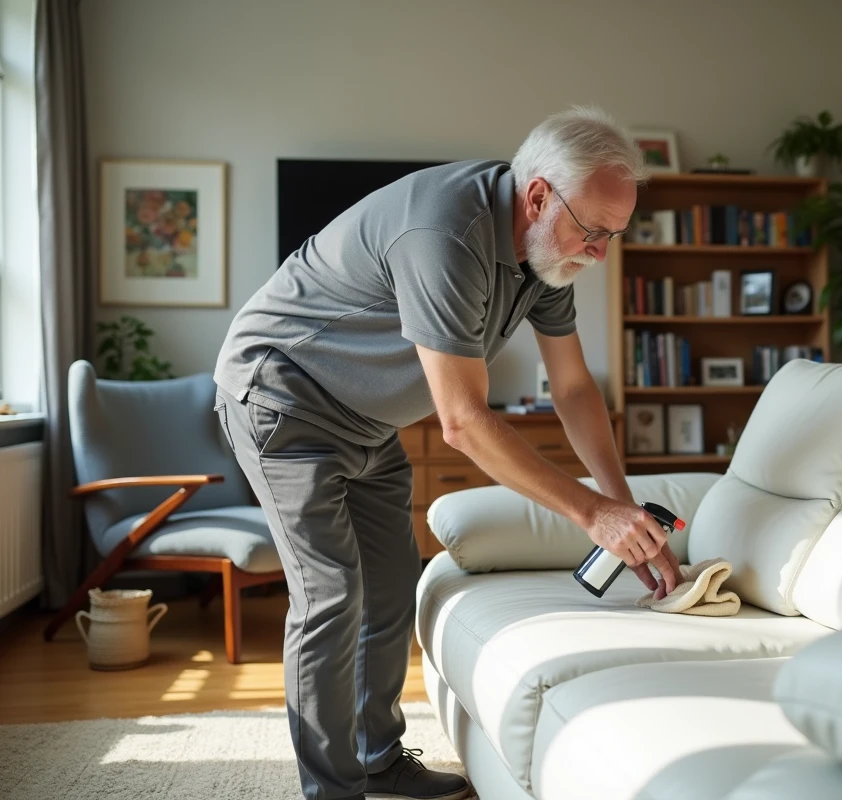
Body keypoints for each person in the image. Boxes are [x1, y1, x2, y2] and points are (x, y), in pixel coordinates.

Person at [212, 105, 685, 800]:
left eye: (615, 234)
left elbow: (576, 388)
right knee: (332, 593)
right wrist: (593, 516)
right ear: (538, 197)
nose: (601, 253)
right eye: (594, 231)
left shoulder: (543, 257)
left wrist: (624, 513)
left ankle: (377, 759)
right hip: (282, 398)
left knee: (394, 581)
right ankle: (332, 791)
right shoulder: (445, 232)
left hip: (366, 420)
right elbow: (462, 421)